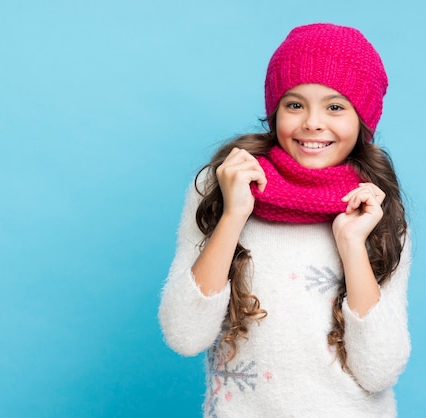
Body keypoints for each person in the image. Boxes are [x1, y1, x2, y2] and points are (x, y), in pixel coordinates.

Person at [158, 23, 411, 418]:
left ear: (363, 120)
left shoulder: (375, 208)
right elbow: (185, 335)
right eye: (295, 104)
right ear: (275, 111)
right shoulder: (224, 186)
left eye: (335, 106)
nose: (312, 122)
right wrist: (234, 215)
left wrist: (352, 246)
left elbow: (378, 371)